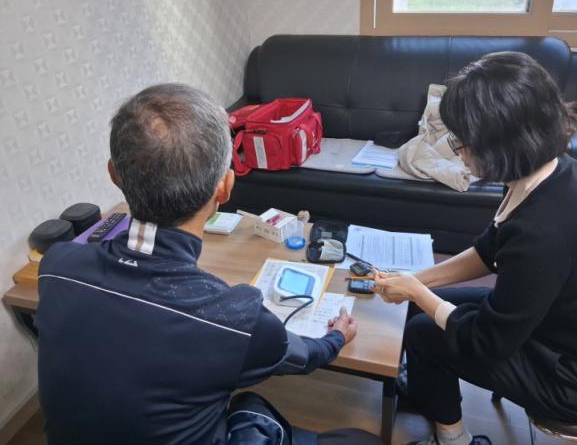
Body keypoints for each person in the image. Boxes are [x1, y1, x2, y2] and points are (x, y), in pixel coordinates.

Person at [37, 84, 382, 445]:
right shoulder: (236, 317)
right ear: (225, 188)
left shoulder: (56, 265)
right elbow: (304, 356)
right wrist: (337, 337)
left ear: (114, 174)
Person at [372, 52, 577, 445]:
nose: (457, 151)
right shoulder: (552, 171)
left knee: (424, 332)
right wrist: (417, 280)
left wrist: (417, 291)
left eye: (461, 142)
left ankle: (453, 438)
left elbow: (485, 344)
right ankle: (430, 390)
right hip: (567, 328)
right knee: (422, 309)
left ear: (501, 145)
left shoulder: (544, 234)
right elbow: (489, 249)